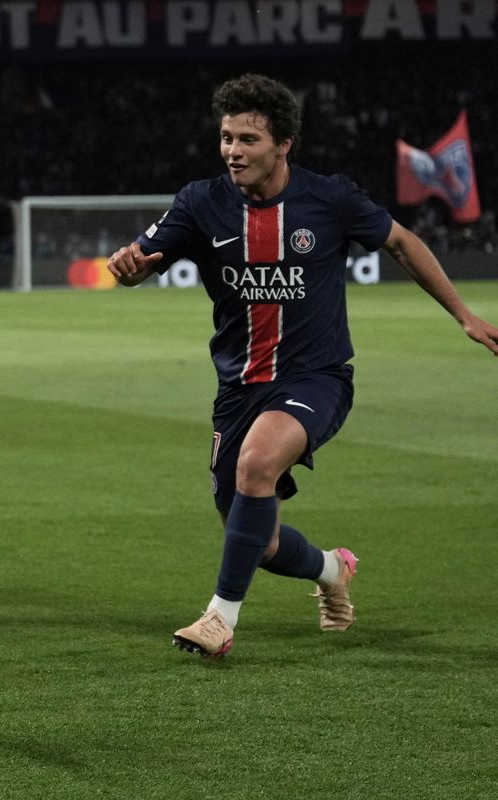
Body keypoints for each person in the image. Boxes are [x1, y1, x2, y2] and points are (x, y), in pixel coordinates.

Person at [106, 74, 498, 659]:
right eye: (226, 138)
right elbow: (140, 259)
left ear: (284, 143)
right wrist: (129, 269)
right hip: (238, 389)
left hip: (316, 378)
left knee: (257, 463)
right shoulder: (200, 202)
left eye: (248, 140)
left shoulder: (330, 198)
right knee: (256, 542)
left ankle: (219, 620)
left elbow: (403, 244)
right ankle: (331, 570)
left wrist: (463, 314)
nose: (233, 151)